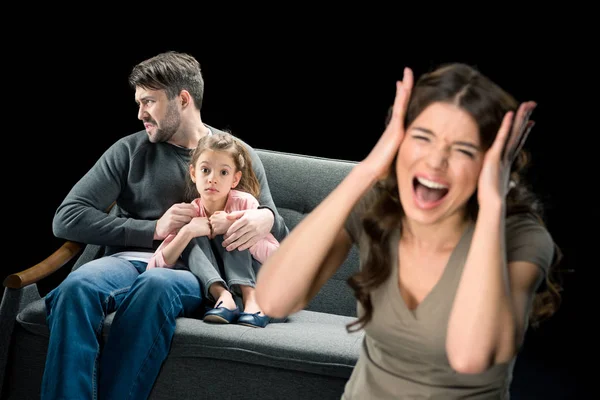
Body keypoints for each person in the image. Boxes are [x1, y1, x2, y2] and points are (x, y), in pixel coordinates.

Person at [254, 63, 562, 399]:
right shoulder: (378, 208)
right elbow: (272, 300)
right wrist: (369, 169)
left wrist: (492, 205)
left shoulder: (521, 237)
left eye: (463, 150)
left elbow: (469, 356)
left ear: (491, 163)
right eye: (422, 137)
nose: (435, 162)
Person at [42, 51, 289, 400]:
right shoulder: (129, 151)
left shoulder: (233, 154)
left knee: (157, 284)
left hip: (195, 270)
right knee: (76, 286)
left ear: (183, 99)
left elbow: (280, 238)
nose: (140, 113)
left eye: (149, 102)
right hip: (129, 260)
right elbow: (67, 217)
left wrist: (266, 217)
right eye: (139, 102)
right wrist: (153, 229)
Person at [147, 132, 278, 328]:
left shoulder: (245, 204)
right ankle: (223, 296)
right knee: (191, 230)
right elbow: (153, 268)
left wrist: (233, 227)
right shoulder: (192, 212)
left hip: (259, 291)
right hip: (219, 299)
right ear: (193, 174)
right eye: (205, 170)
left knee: (235, 228)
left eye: (223, 172)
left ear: (235, 179)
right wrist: (187, 233)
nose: (212, 179)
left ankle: (251, 298)